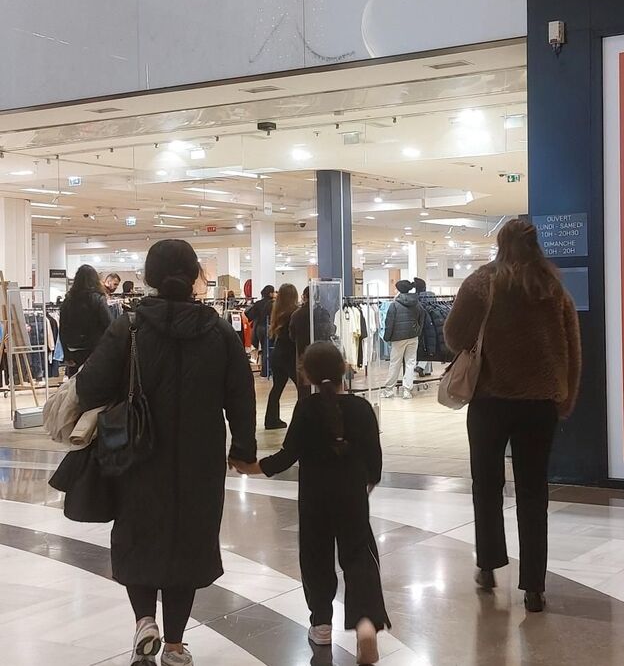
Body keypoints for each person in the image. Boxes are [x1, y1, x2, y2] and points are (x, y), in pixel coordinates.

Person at [74, 239, 257, 666]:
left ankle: (144, 623)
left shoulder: (129, 327)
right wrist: (243, 447)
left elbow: (90, 388)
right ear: (195, 275)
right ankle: (174, 645)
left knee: (139, 536)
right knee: (189, 541)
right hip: (201, 456)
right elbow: (241, 394)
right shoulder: (218, 331)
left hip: (136, 453)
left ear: (150, 276)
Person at [444, 219, 581, 613]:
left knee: (486, 485)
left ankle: (488, 565)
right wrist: (565, 396)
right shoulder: (553, 287)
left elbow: (453, 336)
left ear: (501, 244)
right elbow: (573, 345)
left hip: (490, 400)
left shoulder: (482, 283)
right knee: (533, 492)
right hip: (540, 405)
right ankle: (534, 587)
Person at [232, 342, 390, 665]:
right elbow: (375, 461)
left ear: (307, 375)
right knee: (359, 554)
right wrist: (367, 482)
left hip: (315, 497)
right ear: (344, 368)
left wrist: (253, 467)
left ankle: (321, 624)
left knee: (315, 558)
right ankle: (365, 623)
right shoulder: (362, 409)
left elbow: (288, 455)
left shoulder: (306, 409)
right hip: (352, 495)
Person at [58, 264, 113, 376]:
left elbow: (62, 328)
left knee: (74, 381)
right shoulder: (98, 299)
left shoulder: (68, 300)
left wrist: (66, 354)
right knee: (94, 380)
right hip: (95, 348)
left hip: (73, 347)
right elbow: (109, 324)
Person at [381, 280, 426, 399]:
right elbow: (422, 318)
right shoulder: (417, 303)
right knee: (411, 363)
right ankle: (407, 390)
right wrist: (418, 331)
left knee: (395, 363)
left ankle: (389, 389)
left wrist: (387, 337)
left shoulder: (394, 305)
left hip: (398, 338)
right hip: (413, 336)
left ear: (399, 290)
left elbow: (389, 323)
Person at [264, 284, 300, 429]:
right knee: (302, 389)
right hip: (289, 356)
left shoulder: (277, 312)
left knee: (277, 388)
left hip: (278, 354)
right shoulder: (294, 313)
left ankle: (271, 420)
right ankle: (299, 421)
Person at [414, 277, 449, 375]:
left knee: (426, 344)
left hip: (423, 322)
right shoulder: (431, 295)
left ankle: (421, 367)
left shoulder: (417, 298)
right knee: (430, 344)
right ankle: (426, 369)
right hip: (432, 321)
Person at [246, 285, 276, 378]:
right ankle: (267, 371)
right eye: (273, 292)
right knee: (269, 349)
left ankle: (264, 371)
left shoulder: (258, 303)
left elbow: (249, 315)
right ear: (270, 293)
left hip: (259, 328)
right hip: (268, 327)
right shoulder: (273, 304)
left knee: (263, 349)